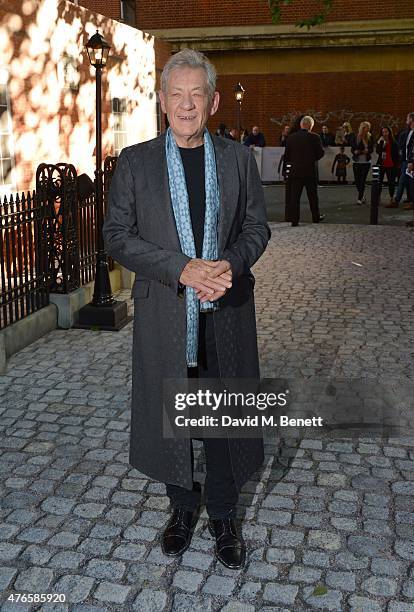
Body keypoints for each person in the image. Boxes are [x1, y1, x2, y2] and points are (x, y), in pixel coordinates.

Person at [102, 48, 270, 571]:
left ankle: (222, 513)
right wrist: (181, 268)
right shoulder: (136, 162)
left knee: (222, 418)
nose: (187, 104)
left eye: (197, 94)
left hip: (225, 312)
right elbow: (116, 236)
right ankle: (181, 508)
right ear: (162, 101)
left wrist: (227, 266)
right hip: (167, 316)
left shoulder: (238, 159)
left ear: (213, 100)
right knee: (175, 414)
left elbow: (256, 230)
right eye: (176, 94)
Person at [284, 115, 325, 226]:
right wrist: (311, 159)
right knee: (312, 196)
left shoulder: (291, 138)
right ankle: (315, 218)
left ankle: (294, 220)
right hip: (309, 171)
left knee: (295, 197)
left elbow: (286, 156)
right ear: (310, 126)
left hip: (295, 171)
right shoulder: (315, 137)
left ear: (301, 124)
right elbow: (321, 153)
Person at [394, 112, 414, 210]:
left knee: (410, 181)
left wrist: (411, 161)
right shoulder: (409, 131)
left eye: (408, 118)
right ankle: (396, 200)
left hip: (410, 161)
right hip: (405, 160)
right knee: (402, 180)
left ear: (411, 120)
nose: (406, 120)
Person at [376, 126, 399, 207]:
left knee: (391, 182)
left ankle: (391, 197)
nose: (385, 134)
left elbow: (396, 155)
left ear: (389, 132)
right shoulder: (381, 141)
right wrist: (380, 143)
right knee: (379, 182)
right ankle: (378, 197)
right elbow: (378, 151)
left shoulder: (394, 142)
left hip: (391, 165)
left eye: (386, 132)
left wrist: (396, 166)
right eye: (383, 132)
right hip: (382, 164)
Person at [351, 121, 374, 205]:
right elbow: (353, 149)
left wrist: (365, 149)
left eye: (368, 128)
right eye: (365, 128)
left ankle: (359, 198)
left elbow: (370, 149)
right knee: (357, 181)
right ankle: (362, 195)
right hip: (356, 161)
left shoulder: (370, 137)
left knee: (362, 180)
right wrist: (358, 152)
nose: (367, 129)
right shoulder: (355, 137)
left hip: (366, 162)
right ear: (361, 128)